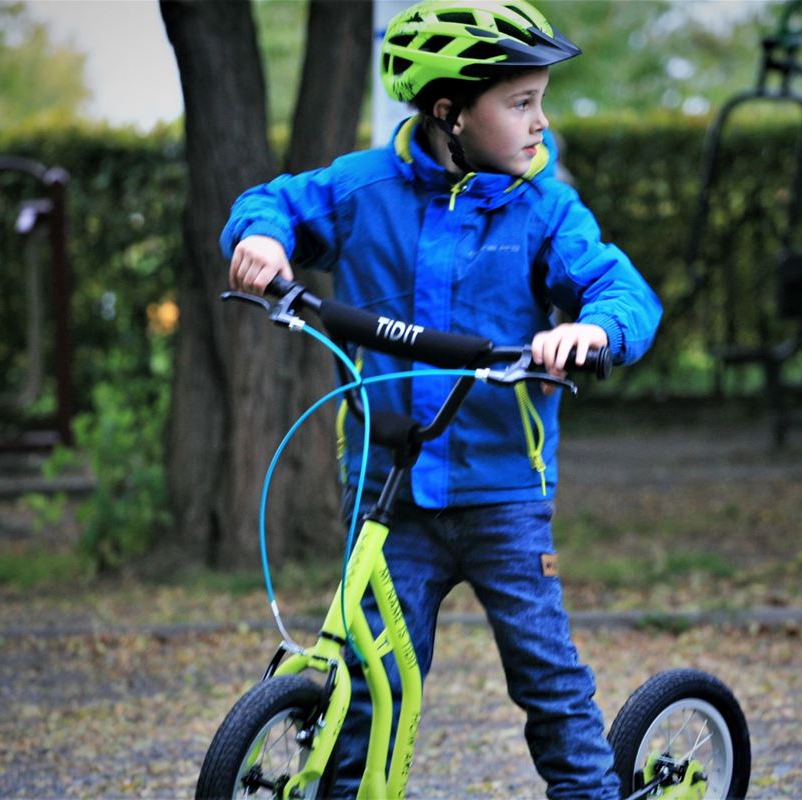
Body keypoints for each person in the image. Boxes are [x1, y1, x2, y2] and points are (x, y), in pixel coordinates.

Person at [221, 1, 662, 796]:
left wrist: (592, 333)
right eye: (521, 103)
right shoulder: (364, 189)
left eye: (540, 102)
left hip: (503, 493)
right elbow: (277, 203)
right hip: (389, 489)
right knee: (365, 681)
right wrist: (258, 239)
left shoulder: (544, 207)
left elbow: (618, 288)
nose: (539, 122)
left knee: (549, 685)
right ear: (448, 112)